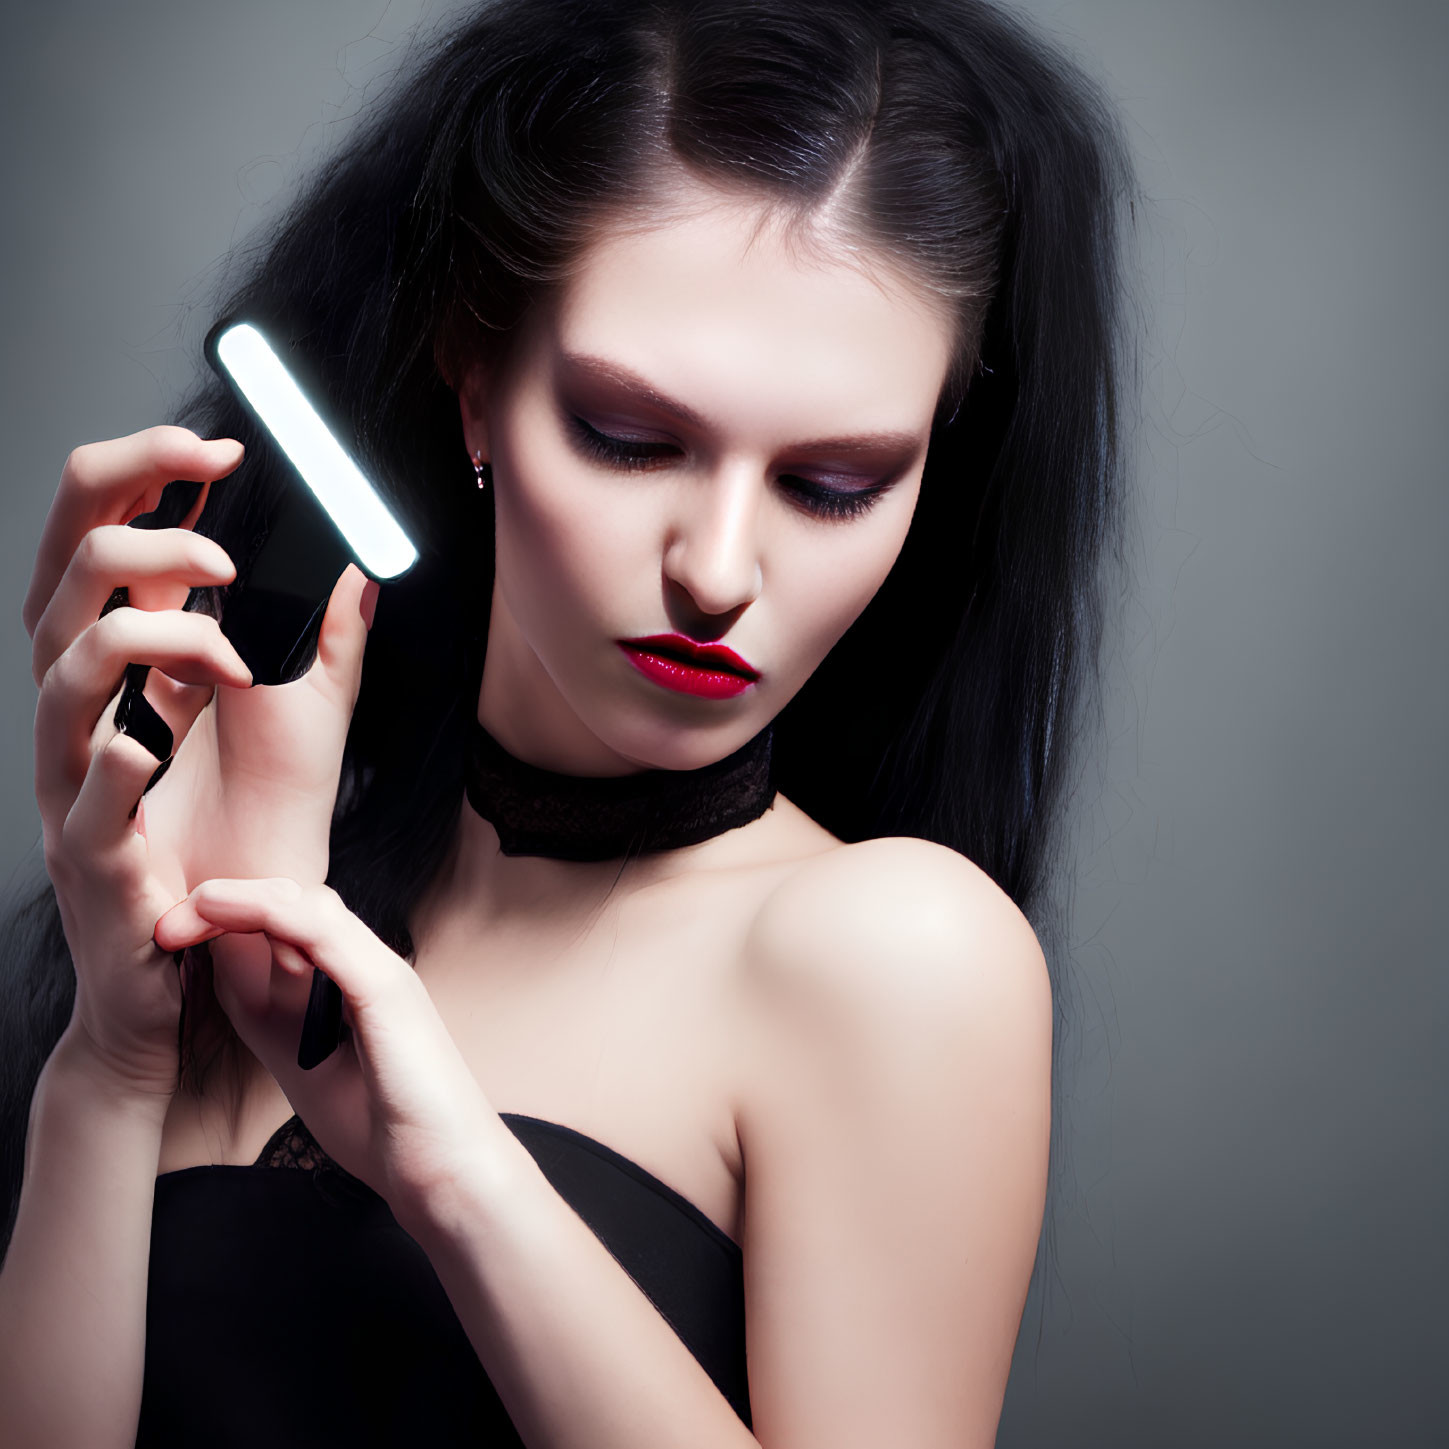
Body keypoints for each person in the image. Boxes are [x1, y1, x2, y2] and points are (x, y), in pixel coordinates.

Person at [0, 0, 1135, 1443]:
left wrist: (455, 1177)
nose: (717, 570)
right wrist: (113, 1048)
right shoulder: (258, 895)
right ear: (475, 381)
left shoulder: (892, 953)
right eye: (627, 435)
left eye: (834, 482)